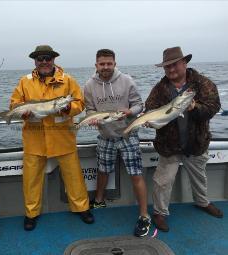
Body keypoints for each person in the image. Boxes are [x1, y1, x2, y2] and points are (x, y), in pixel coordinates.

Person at [10, 45, 94, 231]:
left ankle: (82, 208)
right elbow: (14, 104)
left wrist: (67, 109)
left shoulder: (68, 80)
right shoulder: (25, 81)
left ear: (54, 59)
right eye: (40, 58)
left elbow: (80, 103)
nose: (44, 61)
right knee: (31, 180)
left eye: (48, 58)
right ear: (35, 61)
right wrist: (23, 113)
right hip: (34, 139)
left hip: (63, 136)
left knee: (74, 177)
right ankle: (31, 213)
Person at [145, 46, 223, 232]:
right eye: (167, 67)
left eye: (175, 65)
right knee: (162, 181)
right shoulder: (160, 88)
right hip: (169, 145)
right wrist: (149, 119)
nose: (171, 70)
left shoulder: (203, 84)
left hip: (196, 143)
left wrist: (195, 108)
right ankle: (159, 212)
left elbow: (213, 107)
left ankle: (202, 202)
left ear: (185, 63)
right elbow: (149, 108)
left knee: (199, 176)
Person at [84, 49, 151, 237]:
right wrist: (91, 118)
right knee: (103, 170)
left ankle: (144, 215)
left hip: (128, 134)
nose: (105, 67)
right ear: (96, 65)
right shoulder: (89, 85)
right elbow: (89, 109)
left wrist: (130, 112)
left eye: (109, 63)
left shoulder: (127, 80)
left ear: (115, 63)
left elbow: (139, 105)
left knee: (136, 174)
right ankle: (98, 200)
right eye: (102, 64)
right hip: (105, 136)